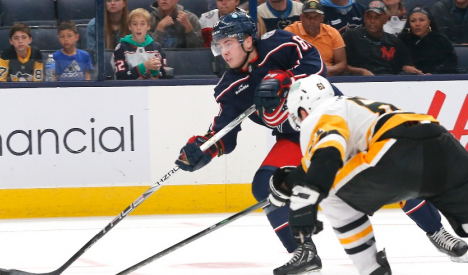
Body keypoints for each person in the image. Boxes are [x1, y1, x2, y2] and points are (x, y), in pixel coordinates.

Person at [175, 11, 329, 274]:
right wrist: (202, 149)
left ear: (248, 41)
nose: (223, 51)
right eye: (219, 45)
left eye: (228, 43)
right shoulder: (229, 87)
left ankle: (429, 227)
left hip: (331, 123)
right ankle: (303, 252)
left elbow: (316, 65)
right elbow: (225, 134)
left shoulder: (278, 44)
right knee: (264, 186)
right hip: (295, 138)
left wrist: (286, 78)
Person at [271, 74, 468, 274]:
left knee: (331, 192)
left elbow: (328, 151)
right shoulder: (353, 106)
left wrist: (307, 197)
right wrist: (286, 184)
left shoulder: (319, 115)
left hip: (396, 151)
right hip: (441, 143)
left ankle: (372, 268)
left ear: (304, 108)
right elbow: (317, 164)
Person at [343, 0, 422, 75]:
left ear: (385, 19)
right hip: (356, 81)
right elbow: (340, 64)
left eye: (377, 17)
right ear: (364, 18)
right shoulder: (352, 36)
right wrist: (360, 71)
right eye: (369, 17)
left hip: (387, 81)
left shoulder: (394, 41)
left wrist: (407, 68)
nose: (372, 21)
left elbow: (407, 65)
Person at [284, 0, 347, 76]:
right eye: (308, 17)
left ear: (322, 18)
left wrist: (323, 70)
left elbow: (342, 64)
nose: (312, 21)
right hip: (298, 76)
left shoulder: (332, 32)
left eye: (316, 17)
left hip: (326, 76)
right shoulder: (290, 32)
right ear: (301, 17)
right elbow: (283, 61)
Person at [399, 6, 458, 74]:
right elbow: (392, 63)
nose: (417, 24)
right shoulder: (402, 40)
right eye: (413, 21)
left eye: (421, 20)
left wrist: (435, 74)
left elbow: (451, 62)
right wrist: (404, 68)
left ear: (429, 22)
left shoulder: (441, 40)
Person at [112, 8, 166, 80]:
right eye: (135, 24)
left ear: (148, 26)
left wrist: (155, 72)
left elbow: (165, 78)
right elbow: (121, 77)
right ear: (129, 26)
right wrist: (143, 67)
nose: (138, 28)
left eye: (142, 24)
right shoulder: (121, 48)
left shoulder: (157, 48)